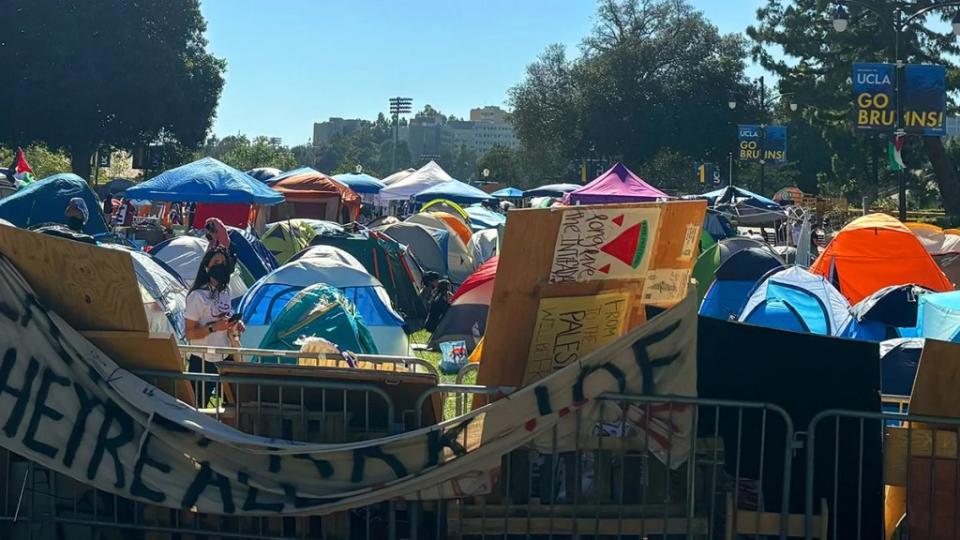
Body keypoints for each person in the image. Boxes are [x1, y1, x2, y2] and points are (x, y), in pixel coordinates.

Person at [184, 248, 243, 402]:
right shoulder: (197, 296)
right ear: (206, 266)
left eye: (223, 262)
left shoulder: (226, 291)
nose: (220, 265)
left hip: (225, 356)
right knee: (198, 405)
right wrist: (213, 328)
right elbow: (189, 333)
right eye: (216, 262)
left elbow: (224, 316)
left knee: (233, 403)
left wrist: (234, 324)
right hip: (203, 359)